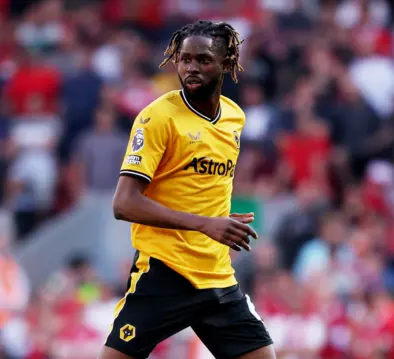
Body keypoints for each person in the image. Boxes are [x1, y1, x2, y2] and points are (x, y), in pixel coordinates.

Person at [102, 21, 275, 359]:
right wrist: (205, 223)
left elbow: (200, 185)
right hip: (164, 273)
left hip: (216, 277)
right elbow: (123, 204)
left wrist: (219, 218)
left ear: (226, 64)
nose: (191, 68)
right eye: (184, 59)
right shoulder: (157, 118)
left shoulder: (234, 118)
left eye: (203, 60)